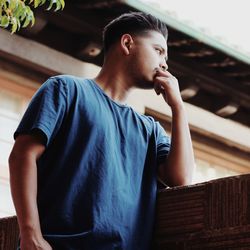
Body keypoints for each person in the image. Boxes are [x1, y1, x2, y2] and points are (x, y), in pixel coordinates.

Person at [9, 12, 195, 250]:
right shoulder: (65, 90)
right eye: (158, 50)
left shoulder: (150, 130)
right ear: (127, 44)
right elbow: (22, 156)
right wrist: (31, 235)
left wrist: (178, 107)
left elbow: (181, 179)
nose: (164, 63)